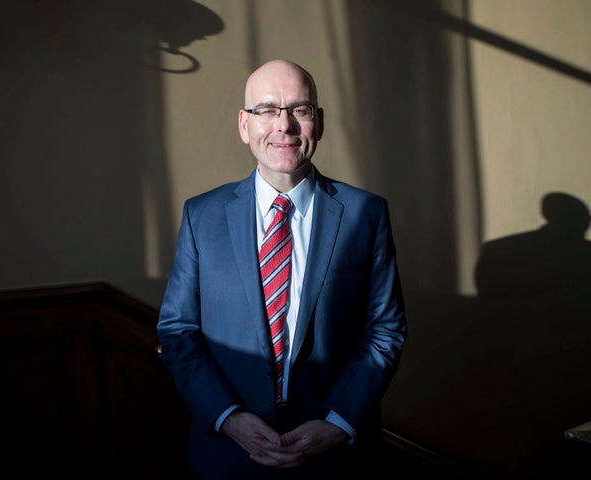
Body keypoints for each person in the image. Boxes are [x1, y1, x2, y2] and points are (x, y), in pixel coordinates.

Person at [156, 59, 407, 479]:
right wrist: (229, 417)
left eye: (300, 110)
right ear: (244, 125)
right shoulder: (202, 215)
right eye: (267, 110)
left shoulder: (367, 213)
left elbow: (385, 330)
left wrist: (337, 423)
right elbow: (178, 331)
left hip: (336, 459)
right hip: (228, 457)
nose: (284, 126)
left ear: (318, 122)